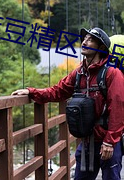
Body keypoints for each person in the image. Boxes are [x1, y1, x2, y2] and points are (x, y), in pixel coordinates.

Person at [11, 27, 124, 180]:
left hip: (107, 141)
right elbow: (58, 91)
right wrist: (31, 92)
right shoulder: (78, 73)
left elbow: (118, 109)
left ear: (102, 48)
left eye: (90, 40)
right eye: (84, 39)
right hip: (86, 141)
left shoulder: (112, 74)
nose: (84, 42)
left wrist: (110, 142)